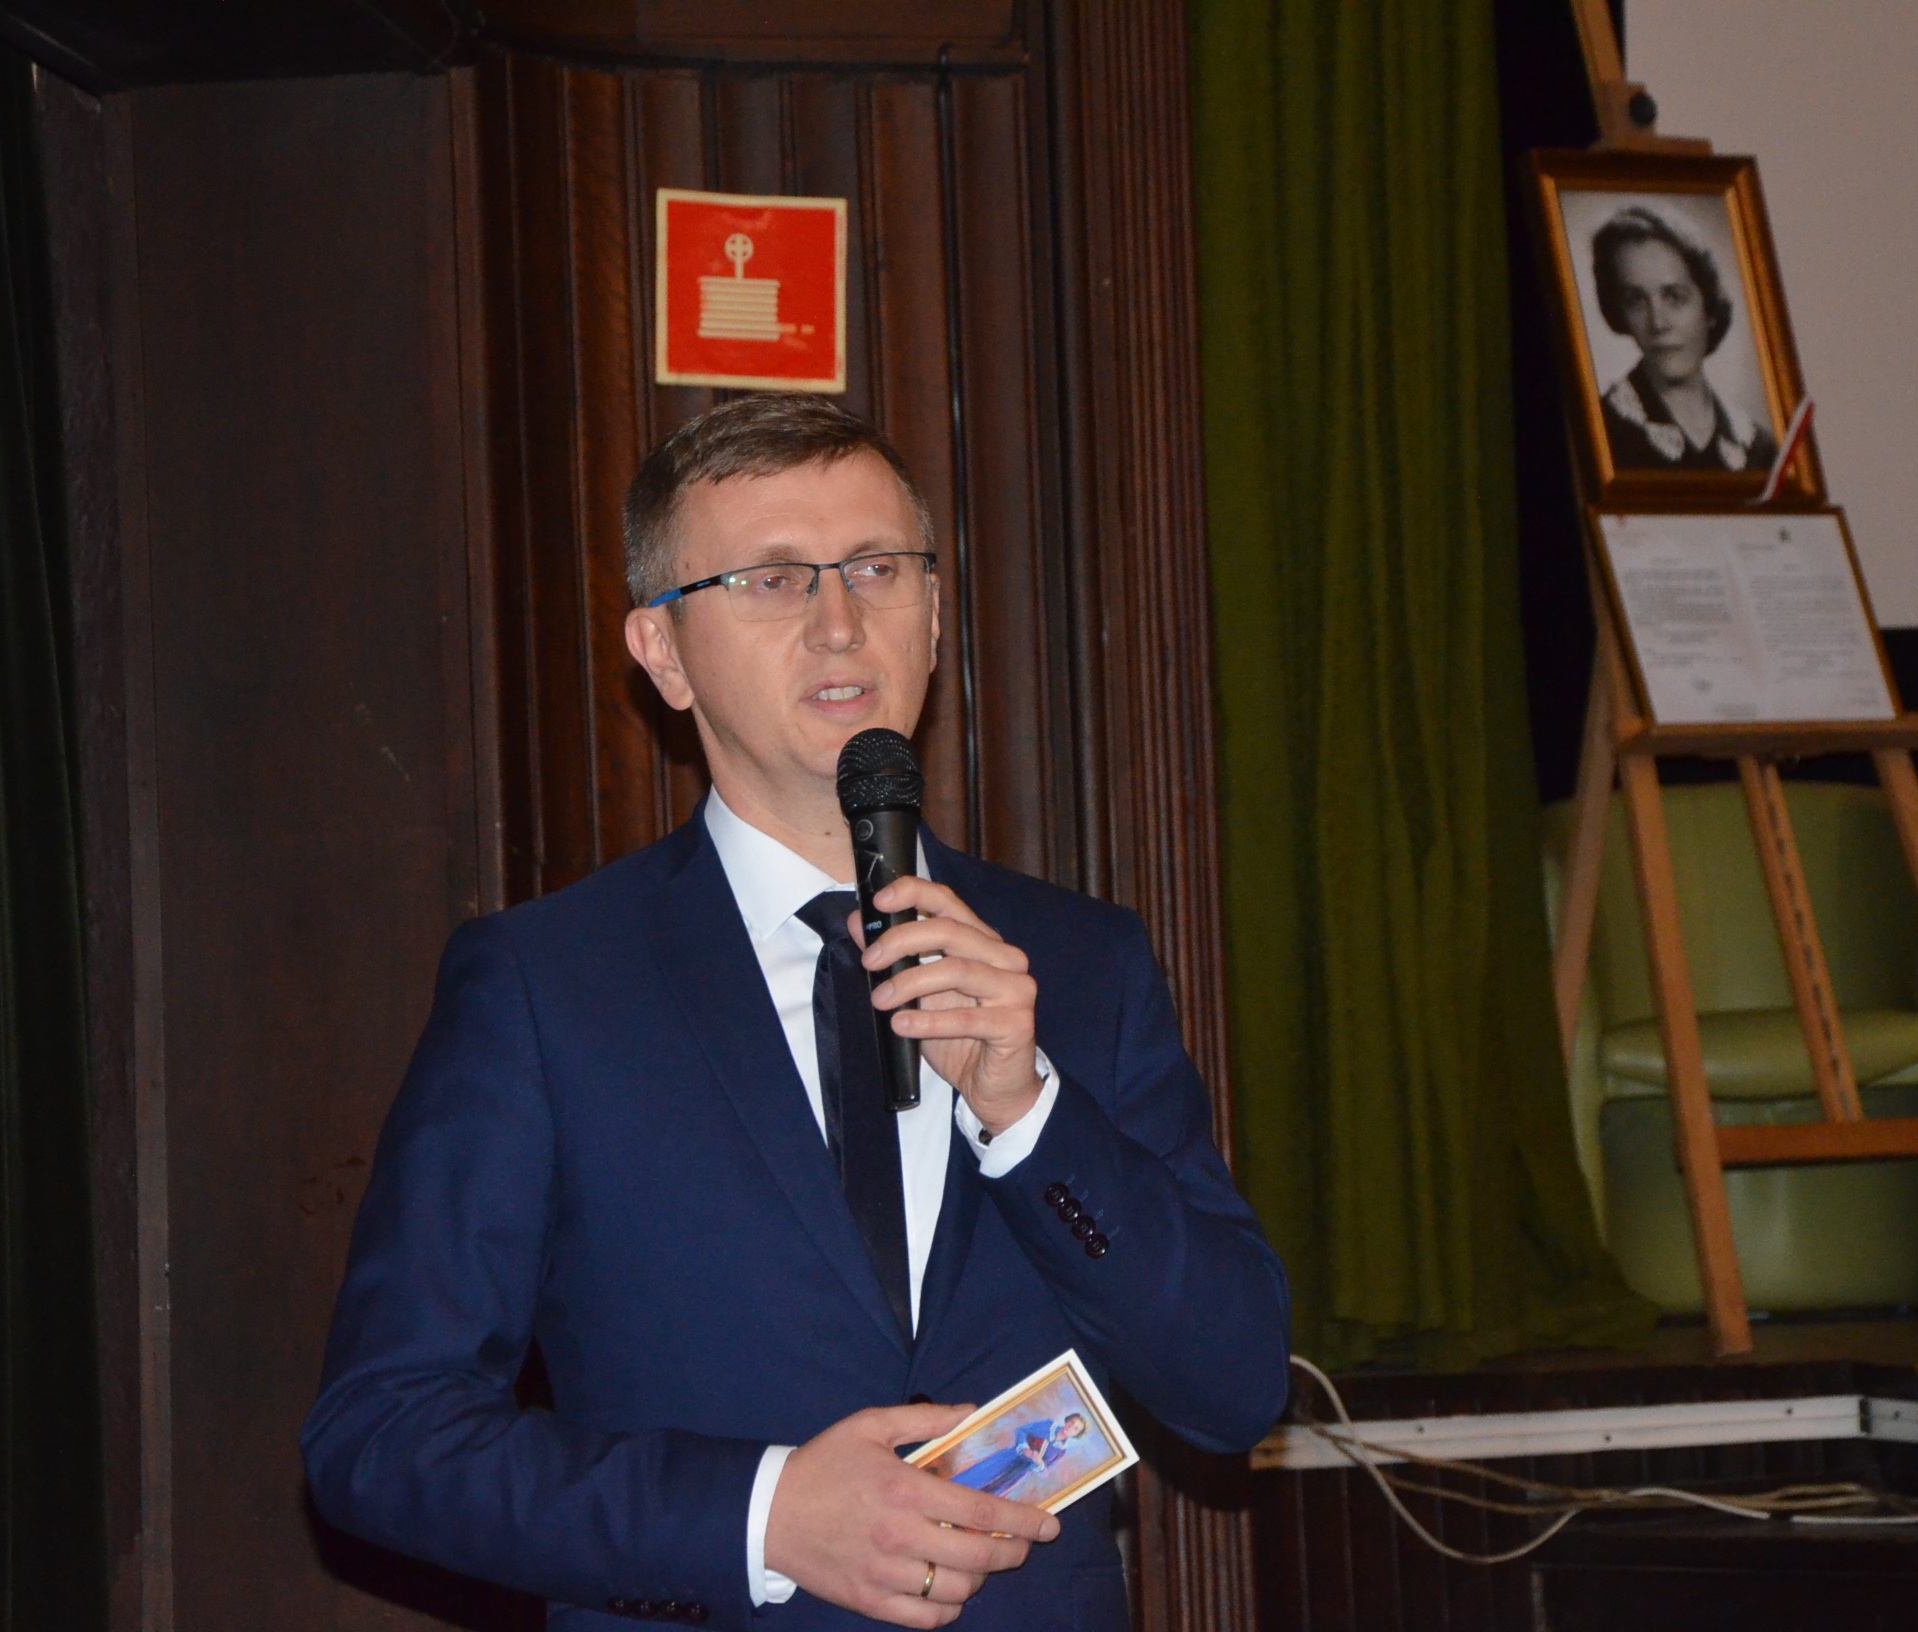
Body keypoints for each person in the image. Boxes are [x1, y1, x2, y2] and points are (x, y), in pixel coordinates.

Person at [301, 393, 1291, 1631]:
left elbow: (1235, 1386)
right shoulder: (547, 986)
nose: (838, 623)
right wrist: (763, 1516)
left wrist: (1029, 1115)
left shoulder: (1083, 964)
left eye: (878, 569)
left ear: (935, 615)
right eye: (771, 582)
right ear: (662, 654)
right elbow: (382, 1437)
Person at [1588, 204, 1778, 473]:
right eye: (1635, 301)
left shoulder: (1758, 449)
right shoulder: (1599, 432)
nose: (1658, 323)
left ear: (1708, 307)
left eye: (1674, 297)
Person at [953, 1414, 1089, 1499]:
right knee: (980, 1475)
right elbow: (1022, 1430)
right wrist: (1025, 1448)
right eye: (1072, 1422)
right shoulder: (1048, 1425)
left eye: (1076, 1428)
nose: (1071, 1427)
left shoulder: (1061, 1451)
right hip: (1011, 1456)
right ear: (1067, 1420)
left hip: (1020, 1472)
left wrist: (1039, 1463)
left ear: (1076, 1435)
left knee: (990, 1492)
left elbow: (1045, 1473)